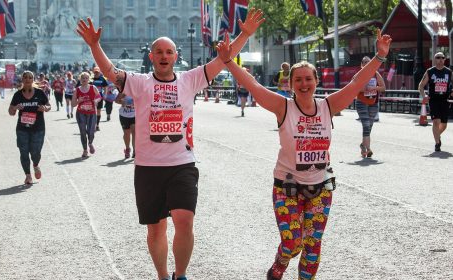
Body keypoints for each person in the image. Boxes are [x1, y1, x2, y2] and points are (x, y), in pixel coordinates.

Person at [76, 8, 264, 280]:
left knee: (185, 222)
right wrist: (95, 45)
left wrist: (244, 34)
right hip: (148, 167)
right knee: (156, 229)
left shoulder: (191, 79)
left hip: (182, 164)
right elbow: (109, 72)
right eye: (159, 52)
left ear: (176, 57)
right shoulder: (139, 83)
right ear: (151, 57)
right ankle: (163, 275)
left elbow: (223, 60)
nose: (164, 56)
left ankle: (182, 274)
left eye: (169, 52)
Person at [215, 29, 391, 280]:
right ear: (290, 84)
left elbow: (356, 83)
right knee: (293, 242)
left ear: (316, 81)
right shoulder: (282, 106)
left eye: (308, 79)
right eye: (298, 80)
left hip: (320, 188)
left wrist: (380, 57)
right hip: (287, 187)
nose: (304, 84)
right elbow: (252, 85)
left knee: (312, 246)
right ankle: (280, 262)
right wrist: (228, 61)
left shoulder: (328, 106)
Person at [8, 71, 51, 185]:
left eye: (30, 78)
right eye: (25, 77)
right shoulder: (17, 95)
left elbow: (48, 105)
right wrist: (16, 107)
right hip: (22, 129)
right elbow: (11, 112)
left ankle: (36, 165)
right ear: (22, 80)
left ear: (33, 80)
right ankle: (28, 175)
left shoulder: (40, 93)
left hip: (38, 128)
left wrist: (45, 108)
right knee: (24, 152)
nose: (27, 79)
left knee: (35, 152)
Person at [419, 52, 452, 152]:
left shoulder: (449, 72)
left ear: (445, 59)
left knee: (444, 124)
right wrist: (424, 96)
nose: (440, 59)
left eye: (442, 57)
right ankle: (437, 143)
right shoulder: (430, 71)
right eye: (438, 57)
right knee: (436, 121)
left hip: (445, 100)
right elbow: (421, 85)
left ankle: (437, 135)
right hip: (433, 100)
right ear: (434, 59)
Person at [355, 56, 386, 157]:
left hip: (373, 103)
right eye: (364, 62)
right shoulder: (358, 75)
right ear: (361, 65)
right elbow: (353, 88)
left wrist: (374, 88)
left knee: (369, 126)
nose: (366, 64)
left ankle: (363, 145)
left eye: (368, 62)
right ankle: (368, 149)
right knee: (366, 125)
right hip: (361, 102)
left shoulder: (376, 74)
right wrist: (364, 89)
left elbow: (383, 88)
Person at [71, 72, 101, 158]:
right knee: (83, 132)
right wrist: (78, 101)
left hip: (91, 113)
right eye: (83, 78)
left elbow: (99, 96)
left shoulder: (93, 87)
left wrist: (96, 101)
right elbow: (73, 104)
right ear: (80, 79)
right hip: (81, 113)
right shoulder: (76, 90)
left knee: (91, 131)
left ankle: (90, 143)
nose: (84, 79)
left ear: (89, 79)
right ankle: (85, 150)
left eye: (86, 78)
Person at [116, 92, 136, 158]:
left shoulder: (137, 90)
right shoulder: (124, 91)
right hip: (124, 115)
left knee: (134, 132)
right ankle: (127, 149)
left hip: (135, 115)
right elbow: (116, 100)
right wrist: (121, 101)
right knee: (126, 133)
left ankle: (135, 150)